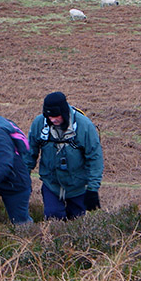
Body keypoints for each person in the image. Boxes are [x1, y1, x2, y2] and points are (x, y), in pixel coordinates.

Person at [25, 91, 103, 220]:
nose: (53, 119)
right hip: (51, 184)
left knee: (77, 222)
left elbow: (95, 158)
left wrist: (92, 190)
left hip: (78, 187)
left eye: (57, 116)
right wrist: (24, 178)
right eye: (49, 116)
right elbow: (29, 154)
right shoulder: (39, 123)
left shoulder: (85, 126)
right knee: (53, 218)